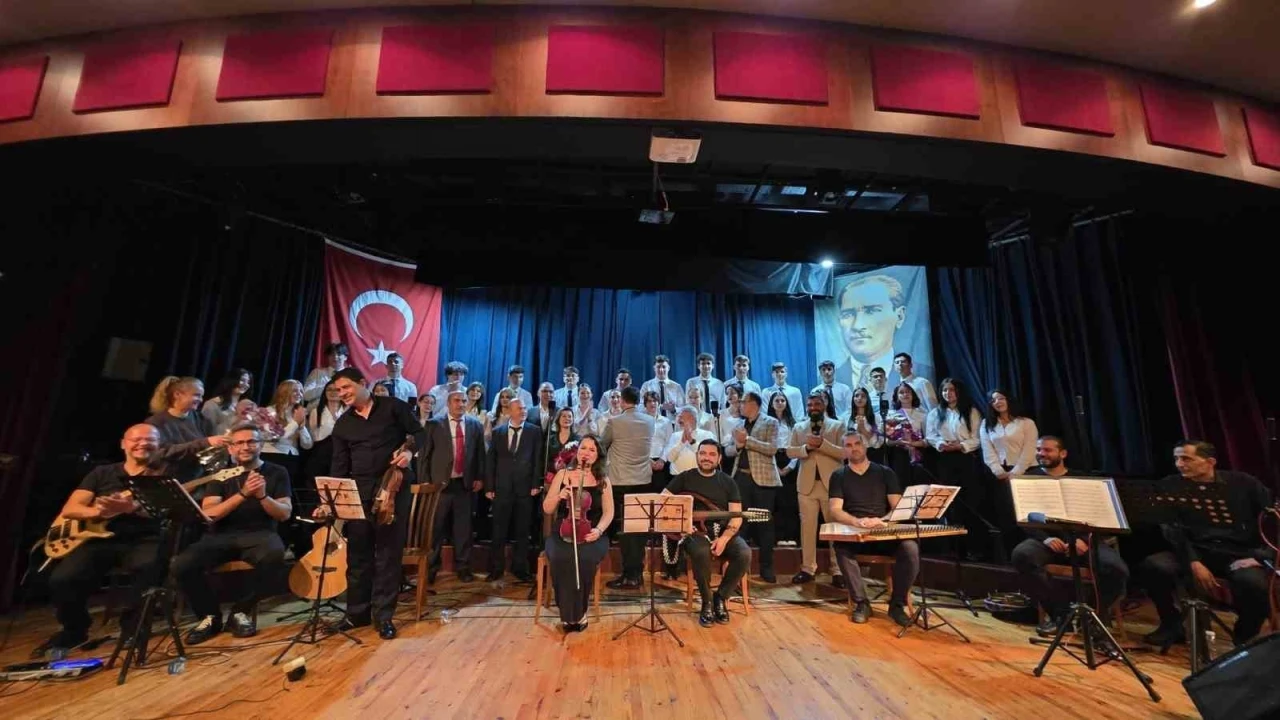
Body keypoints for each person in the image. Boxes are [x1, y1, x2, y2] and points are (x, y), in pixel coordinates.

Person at [35, 424, 165, 656]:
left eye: (150, 439)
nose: (143, 443)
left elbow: (167, 512)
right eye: (136, 439)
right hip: (98, 539)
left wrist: (131, 509)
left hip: (144, 538)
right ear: (123, 444)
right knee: (63, 578)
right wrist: (100, 512)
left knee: (149, 567)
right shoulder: (102, 473)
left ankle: (133, 628)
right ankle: (74, 630)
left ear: (159, 445)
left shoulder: (164, 475)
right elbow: (71, 509)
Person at [1140, 440, 1274, 647]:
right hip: (1195, 551)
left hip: (1240, 553)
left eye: (1186, 459)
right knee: (1154, 566)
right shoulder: (1171, 485)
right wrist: (1193, 561)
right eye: (1176, 458)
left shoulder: (1243, 483)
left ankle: (1245, 636)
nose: (1179, 464)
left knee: (1254, 583)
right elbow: (1171, 530)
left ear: (1210, 461)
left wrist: (1260, 557)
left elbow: (1273, 521)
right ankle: (1172, 625)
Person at [174, 423, 292, 644]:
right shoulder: (221, 475)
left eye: (251, 441)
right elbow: (210, 514)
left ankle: (240, 612)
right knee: (181, 565)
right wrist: (243, 494)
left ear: (260, 445)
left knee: (274, 556)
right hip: (220, 536)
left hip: (260, 533)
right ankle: (209, 616)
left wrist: (262, 496)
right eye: (239, 443)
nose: (245, 447)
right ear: (230, 448)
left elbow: (284, 514)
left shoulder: (277, 472)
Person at [329, 367, 420, 640]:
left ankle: (384, 617)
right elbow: (339, 465)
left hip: (392, 489)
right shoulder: (343, 424)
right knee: (358, 555)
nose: (342, 393)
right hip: (358, 492)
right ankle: (356, 614)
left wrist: (409, 452)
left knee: (388, 555)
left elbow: (421, 434)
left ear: (362, 383)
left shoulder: (393, 407)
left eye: (346, 387)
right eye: (338, 390)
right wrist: (333, 500)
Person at [1010, 436, 1130, 637]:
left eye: (1047, 450)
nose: (1041, 454)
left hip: (1084, 540)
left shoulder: (1081, 479)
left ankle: (1092, 617)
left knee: (1117, 569)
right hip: (1048, 541)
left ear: (1063, 453)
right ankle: (1061, 615)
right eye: (1039, 450)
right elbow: (1023, 517)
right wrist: (1045, 538)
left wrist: (1082, 539)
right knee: (1022, 555)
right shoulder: (1029, 479)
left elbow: (1097, 515)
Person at [828, 432, 918, 627]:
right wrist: (857, 521)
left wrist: (881, 520)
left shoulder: (885, 473)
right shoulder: (838, 475)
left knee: (910, 548)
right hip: (856, 533)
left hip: (883, 532)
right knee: (841, 548)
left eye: (857, 443)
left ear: (865, 445)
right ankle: (861, 603)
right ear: (844, 450)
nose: (854, 448)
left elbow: (898, 508)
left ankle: (897, 604)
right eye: (848, 445)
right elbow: (835, 510)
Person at [663, 440, 751, 627]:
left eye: (712, 454)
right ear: (697, 456)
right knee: (701, 551)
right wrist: (683, 525)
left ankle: (721, 597)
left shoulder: (728, 482)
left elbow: (736, 517)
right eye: (703, 453)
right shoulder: (684, 477)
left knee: (744, 553)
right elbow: (663, 502)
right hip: (694, 533)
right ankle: (707, 602)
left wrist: (724, 539)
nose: (706, 458)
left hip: (723, 532)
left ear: (719, 459)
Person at [543, 436, 614, 632]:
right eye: (583, 448)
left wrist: (598, 530)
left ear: (598, 455)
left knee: (584, 558)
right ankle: (567, 614)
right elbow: (547, 508)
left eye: (592, 450)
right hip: (562, 531)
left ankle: (579, 613)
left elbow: (609, 513)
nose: (586, 453)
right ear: (577, 451)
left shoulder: (603, 480)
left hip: (591, 532)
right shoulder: (563, 475)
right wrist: (559, 496)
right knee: (561, 557)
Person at [421, 389, 486, 585]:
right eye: (457, 400)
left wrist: (479, 477)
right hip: (439, 485)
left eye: (464, 401)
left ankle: (463, 567)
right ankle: (430, 568)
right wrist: (425, 481)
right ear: (448, 403)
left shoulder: (475, 425)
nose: (461, 404)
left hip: (464, 485)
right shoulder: (434, 424)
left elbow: (480, 454)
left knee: (463, 530)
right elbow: (424, 455)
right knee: (435, 529)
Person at [833, 274, 933, 393]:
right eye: (848, 314)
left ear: (899, 316)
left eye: (871, 311)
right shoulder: (830, 380)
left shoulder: (923, 376)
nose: (857, 325)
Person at [787, 390, 847, 587]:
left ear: (825, 404)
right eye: (810, 405)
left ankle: (838, 570)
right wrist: (806, 448)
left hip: (832, 486)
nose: (813, 408)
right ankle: (808, 568)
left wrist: (822, 444)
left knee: (834, 529)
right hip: (806, 486)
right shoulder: (799, 427)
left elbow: (844, 453)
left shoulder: (838, 426)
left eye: (817, 404)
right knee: (807, 529)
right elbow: (790, 451)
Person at [926, 378, 989, 559]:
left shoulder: (971, 411)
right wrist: (941, 444)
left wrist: (961, 445)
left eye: (952, 390)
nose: (948, 394)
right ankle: (955, 549)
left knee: (970, 501)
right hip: (945, 460)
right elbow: (930, 435)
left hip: (966, 458)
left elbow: (977, 438)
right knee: (951, 503)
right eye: (945, 390)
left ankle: (974, 548)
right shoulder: (935, 413)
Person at [601, 386, 656, 589]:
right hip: (643, 481)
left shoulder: (614, 421)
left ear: (623, 401)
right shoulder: (650, 421)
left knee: (625, 531)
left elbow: (602, 445)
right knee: (639, 529)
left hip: (621, 481)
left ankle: (629, 575)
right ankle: (636, 573)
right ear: (638, 400)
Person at [485, 398, 543, 583]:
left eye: (525, 408)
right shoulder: (498, 432)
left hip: (525, 489)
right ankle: (496, 568)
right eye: (519, 408)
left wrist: (535, 484)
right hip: (502, 488)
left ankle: (521, 568)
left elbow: (537, 459)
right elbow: (491, 461)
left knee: (522, 531)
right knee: (498, 530)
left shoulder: (534, 431)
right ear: (510, 411)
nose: (523, 411)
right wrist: (489, 486)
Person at [731, 392, 781, 583]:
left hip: (763, 480)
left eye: (743, 402)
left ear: (754, 404)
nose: (740, 405)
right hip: (741, 478)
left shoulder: (770, 422)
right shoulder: (739, 425)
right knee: (740, 523)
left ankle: (767, 567)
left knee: (764, 525)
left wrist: (748, 440)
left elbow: (772, 449)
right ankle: (740, 570)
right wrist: (737, 445)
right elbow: (729, 450)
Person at [146, 376, 226, 481]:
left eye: (201, 396)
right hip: (169, 480)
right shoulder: (156, 423)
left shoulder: (201, 419)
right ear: (177, 394)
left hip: (198, 480)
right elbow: (162, 453)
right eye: (197, 395)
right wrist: (205, 442)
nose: (201, 400)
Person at [260, 379, 313, 482]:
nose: (299, 394)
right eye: (295, 391)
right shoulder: (270, 411)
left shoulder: (298, 413)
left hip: (292, 457)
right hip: (272, 456)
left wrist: (302, 427)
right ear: (284, 392)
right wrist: (296, 423)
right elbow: (275, 437)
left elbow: (307, 445)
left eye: (301, 391)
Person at [882, 383, 927, 482]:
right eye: (901, 392)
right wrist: (897, 442)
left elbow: (927, 439)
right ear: (897, 396)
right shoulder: (891, 415)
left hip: (919, 453)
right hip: (899, 455)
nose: (905, 394)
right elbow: (885, 440)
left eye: (908, 392)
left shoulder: (922, 415)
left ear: (913, 394)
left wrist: (913, 443)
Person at [664, 406, 716, 476]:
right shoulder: (674, 436)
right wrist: (681, 443)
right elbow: (670, 458)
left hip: (700, 476)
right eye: (679, 417)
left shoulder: (707, 435)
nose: (679, 420)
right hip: (677, 477)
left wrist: (692, 442)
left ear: (692, 419)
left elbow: (706, 456)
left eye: (682, 417)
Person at [202, 369, 254, 435]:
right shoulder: (213, 404)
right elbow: (205, 431)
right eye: (242, 380)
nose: (245, 384)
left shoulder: (247, 407)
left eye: (248, 382)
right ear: (231, 380)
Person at [640, 354, 685, 419]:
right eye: (658, 367)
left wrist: (674, 410)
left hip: (672, 422)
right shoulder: (646, 386)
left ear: (668, 368)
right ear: (654, 368)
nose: (661, 370)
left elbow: (683, 408)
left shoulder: (677, 387)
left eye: (664, 367)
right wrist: (658, 407)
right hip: (652, 422)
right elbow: (640, 407)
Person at [811, 360, 852, 424]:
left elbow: (850, 409)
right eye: (823, 370)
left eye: (829, 369)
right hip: (822, 424)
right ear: (820, 373)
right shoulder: (814, 391)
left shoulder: (845, 389)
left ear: (834, 371)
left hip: (842, 423)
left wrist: (840, 420)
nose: (827, 372)